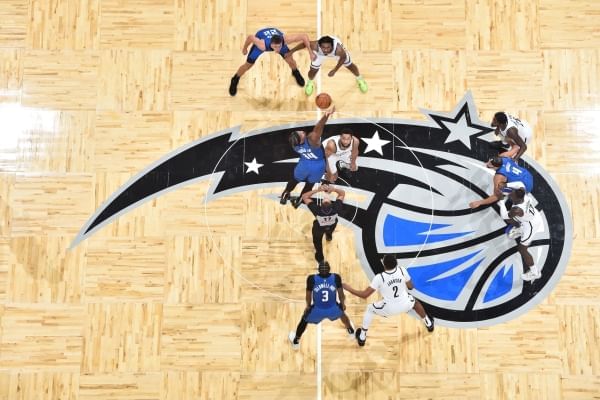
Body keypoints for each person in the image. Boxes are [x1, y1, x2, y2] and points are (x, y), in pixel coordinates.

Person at [343, 255, 434, 347]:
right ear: (396, 263)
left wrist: (349, 288)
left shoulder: (380, 278)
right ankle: (429, 324)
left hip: (389, 308)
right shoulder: (402, 270)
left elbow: (364, 295)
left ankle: (362, 337)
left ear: (384, 265)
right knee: (416, 303)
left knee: (370, 309)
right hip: (405, 303)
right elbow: (411, 287)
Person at [229, 28, 316, 96]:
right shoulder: (262, 44)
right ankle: (235, 78)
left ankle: (295, 72)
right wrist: (245, 48)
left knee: (290, 60)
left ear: (282, 43)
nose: (277, 49)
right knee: (248, 65)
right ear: (271, 44)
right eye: (275, 47)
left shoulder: (285, 39)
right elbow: (250, 38)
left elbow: (304, 36)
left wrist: (310, 52)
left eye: (279, 46)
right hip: (261, 35)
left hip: (276, 34)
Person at [288, 260, 354, 350]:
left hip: (317, 310)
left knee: (304, 320)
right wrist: (343, 304)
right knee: (343, 314)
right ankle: (351, 331)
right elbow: (341, 294)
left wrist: (308, 306)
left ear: (318, 270)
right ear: (329, 269)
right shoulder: (336, 277)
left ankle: (296, 341)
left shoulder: (311, 278)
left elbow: (308, 296)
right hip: (332, 309)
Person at [280, 107, 335, 208]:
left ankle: (285, 193)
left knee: (295, 179)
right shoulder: (312, 140)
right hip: (318, 166)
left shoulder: (294, 144)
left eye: (299, 132)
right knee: (309, 185)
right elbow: (319, 127)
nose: (302, 132)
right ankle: (300, 200)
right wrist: (326, 115)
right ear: (301, 140)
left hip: (304, 163)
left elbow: (296, 138)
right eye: (301, 134)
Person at [286, 35, 367, 96]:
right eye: (323, 47)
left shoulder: (338, 49)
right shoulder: (315, 46)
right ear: (320, 46)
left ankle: (360, 79)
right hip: (319, 54)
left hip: (336, 54)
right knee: (313, 70)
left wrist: (335, 70)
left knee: (350, 65)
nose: (326, 50)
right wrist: (291, 51)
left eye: (328, 48)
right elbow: (304, 44)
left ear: (332, 46)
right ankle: (310, 82)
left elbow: (343, 57)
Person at [498, 188, 543, 282]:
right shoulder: (524, 197)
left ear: (517, 198)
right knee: (513, 220)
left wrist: (501, 202)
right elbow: (511, 191)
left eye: (512, 195)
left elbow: (505, 215)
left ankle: (535, 272)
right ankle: (520, 228)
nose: (510, 195)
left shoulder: (517, 210)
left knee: (522, 249)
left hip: (531, 225)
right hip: (531, 217)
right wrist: (503, 190)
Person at [469, 156, 533, 209]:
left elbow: (496, 196)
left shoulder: (498, 177)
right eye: (489, 161)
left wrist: (479, 202)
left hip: (526, 187)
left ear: (496, 167)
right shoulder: (504, 158)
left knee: (505, 192)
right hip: (528, 175)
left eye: (490, 164)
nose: (487, 163)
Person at [302, 185, 345, 262]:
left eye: (324, 199)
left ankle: (320, 257)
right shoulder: (336, 207)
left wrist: (317, 190)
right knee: (329, 230)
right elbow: (342, 194)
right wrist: (334, 189)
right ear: (331, 203)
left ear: (320, 205)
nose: (325, 198)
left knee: (317, 242)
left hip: (318, 229)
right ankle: (329, 236)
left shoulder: (317, 210)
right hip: (331, 226)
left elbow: (305, 196)